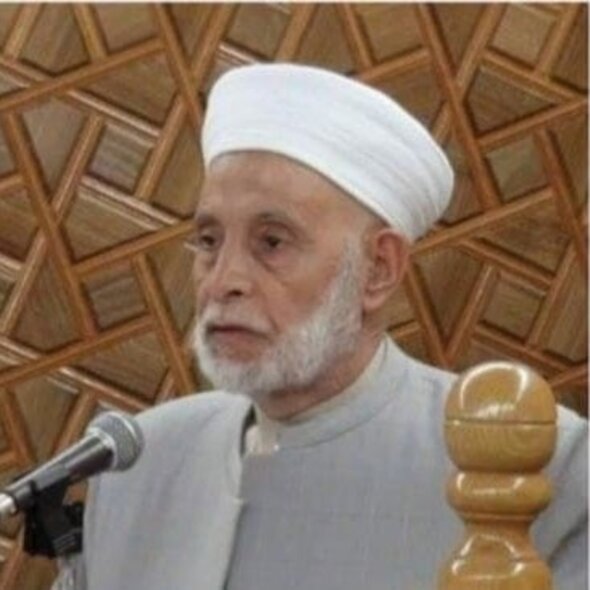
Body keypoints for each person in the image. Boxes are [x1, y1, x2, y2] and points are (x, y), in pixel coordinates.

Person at [54, 64, 587, 590]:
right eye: (210, 242)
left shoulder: (537, 464)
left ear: (378, 269)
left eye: (272, 242)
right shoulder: (138, 461)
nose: (223, 281)